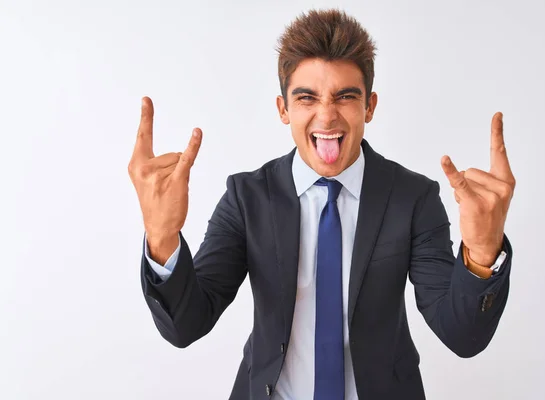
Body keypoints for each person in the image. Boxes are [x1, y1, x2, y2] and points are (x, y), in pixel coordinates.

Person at [128, 9, 516, 400]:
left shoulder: (413, 198)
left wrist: (482, 253)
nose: (327, 115)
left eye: (345, 96)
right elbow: (186, 326)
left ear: (369, 106)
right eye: (306, 98)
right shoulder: (247, 198)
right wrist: (163, 237)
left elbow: (462, 336)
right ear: (284, 109)